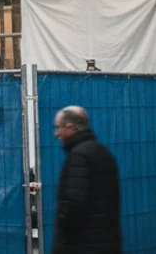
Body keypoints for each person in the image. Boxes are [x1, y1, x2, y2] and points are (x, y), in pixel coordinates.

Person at [52, 105, 122, 254]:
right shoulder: (102, 152)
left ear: (70, 127)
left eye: (58, 128)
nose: (56, 133)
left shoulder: (79, 156)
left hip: (82, 243)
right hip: (105, 239)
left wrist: (64, 239)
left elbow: (74, 203)